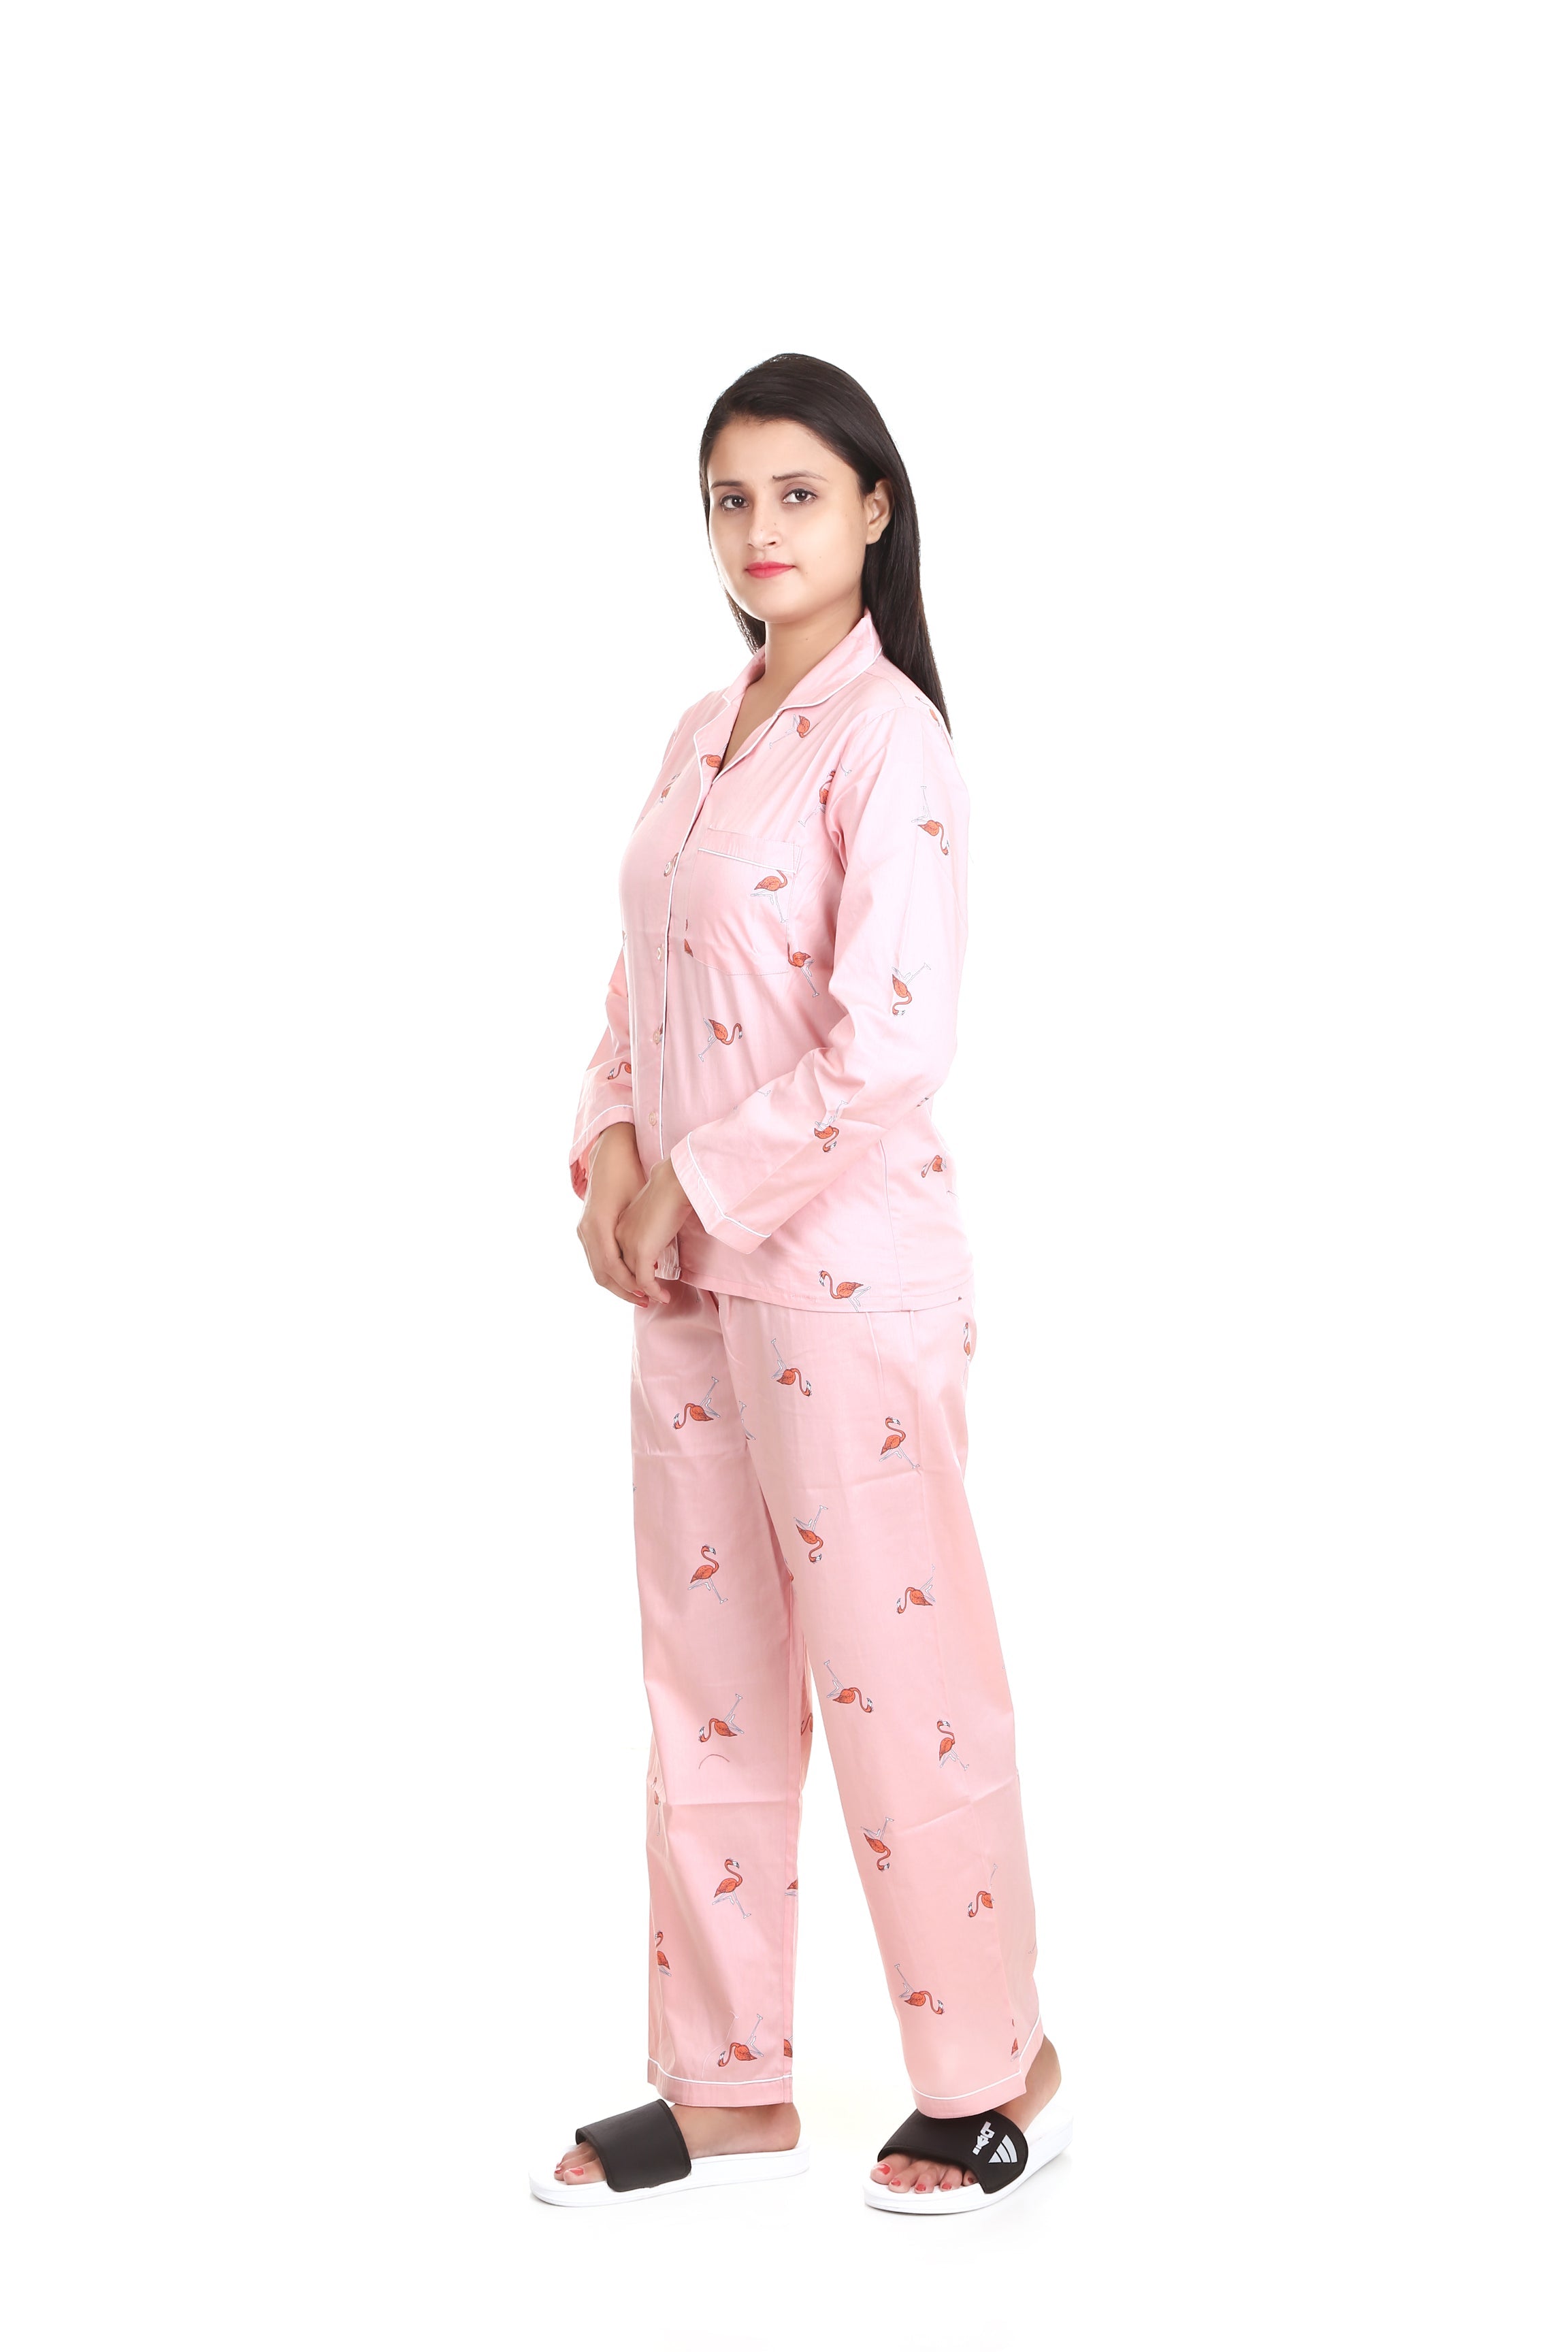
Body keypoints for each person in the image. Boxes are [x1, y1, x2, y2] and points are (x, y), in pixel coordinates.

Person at [532, 355, 1070, 2213]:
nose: (760, 530)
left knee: (901, 1682)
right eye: (731, 498)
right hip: (688, 1294)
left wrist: (694, 1177)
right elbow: (639, 978)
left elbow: (890, 1042)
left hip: (843, 1287)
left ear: (873, 510)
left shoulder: (888, 738)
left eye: (797, 494)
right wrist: (613, 1151)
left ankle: (993, 2071)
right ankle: (724, 2085)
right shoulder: (707, 729)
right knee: (706, 1690)